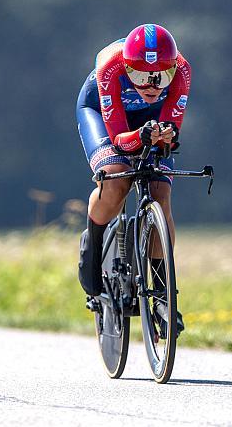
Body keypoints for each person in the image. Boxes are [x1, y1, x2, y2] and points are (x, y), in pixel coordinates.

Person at [75, 23, 190, 334]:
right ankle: (94, 242)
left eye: (160, 76)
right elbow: (119, 140)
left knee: (161, 195)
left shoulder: (182, 71)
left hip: (146, 123)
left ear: (173, 68)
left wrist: (167, 134)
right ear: (127, 68)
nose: (151, 85)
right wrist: (142, 136)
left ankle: (164, 295)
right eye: (140, 76)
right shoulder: (110, 68)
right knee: (115, 180)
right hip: (102, 115)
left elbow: (171, 128)